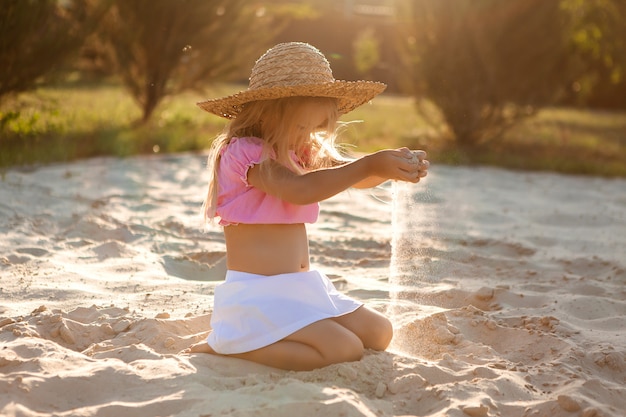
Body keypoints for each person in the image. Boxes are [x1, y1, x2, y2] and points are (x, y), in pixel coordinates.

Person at [185, 42, 429, 371]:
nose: (307, 136)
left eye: (314, 129)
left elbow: (352, 175)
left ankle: (261, 337)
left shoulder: (298, 150)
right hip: (259, 295)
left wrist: (391, 167)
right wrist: (369, 165)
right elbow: (300, 190)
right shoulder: (245, 153)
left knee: (379, 332)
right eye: (301, 126)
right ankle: (233, 346)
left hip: (302, 289)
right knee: (343, 349)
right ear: (270, 112)